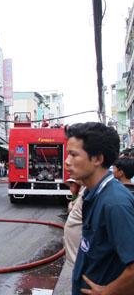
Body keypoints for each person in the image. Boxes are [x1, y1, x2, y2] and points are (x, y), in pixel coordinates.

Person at [65, 122, 134, 294]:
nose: (67, 161)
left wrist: (108, 291)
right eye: (68, 154)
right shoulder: (94, 194)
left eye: (74, 155)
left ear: (97, 159)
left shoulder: (115, 203)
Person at [63, 179, 86, 266]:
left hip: (80, 254)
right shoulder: (78, 195)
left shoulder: (85, 194)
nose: (70, 188)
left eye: (72, 185)